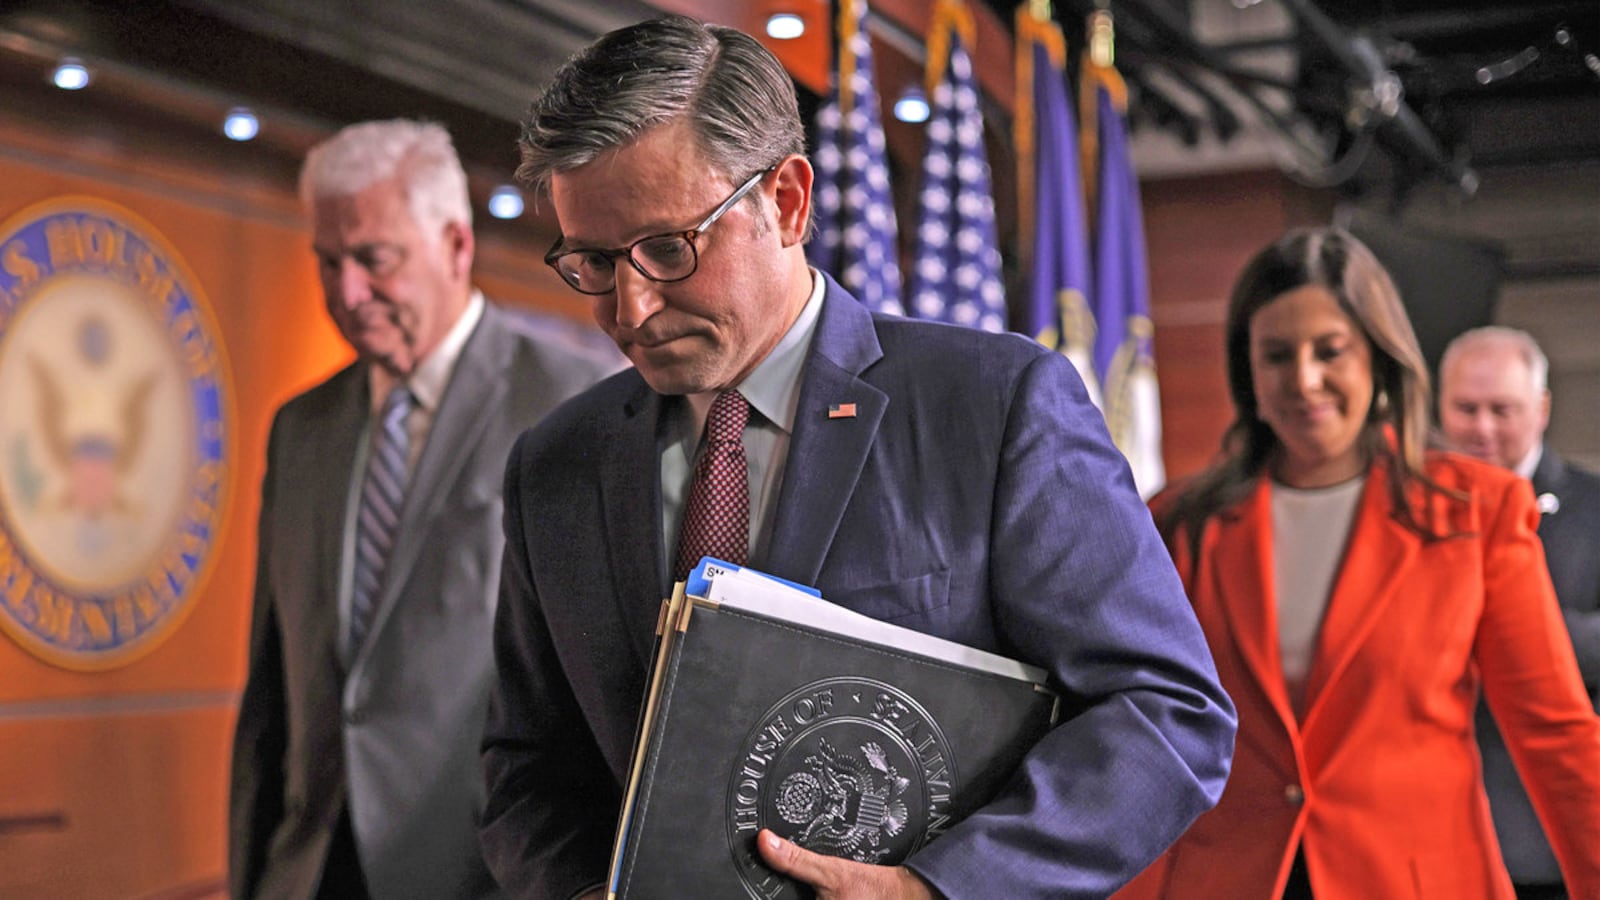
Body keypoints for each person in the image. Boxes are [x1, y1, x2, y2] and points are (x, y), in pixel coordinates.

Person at [479, 15, 1236, 900]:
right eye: (593, 263)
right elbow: (528, 766)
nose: (630, 309)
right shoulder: (556, 466)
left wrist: (937, 889)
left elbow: (1167, 713)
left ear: (787, 201)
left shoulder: (993, 407)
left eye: (667, 250)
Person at [1117, 228, 1600, 899]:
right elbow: (1140, 734)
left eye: (1330, 351)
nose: (1303, 379)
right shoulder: (1177, 523)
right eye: (1277, 356)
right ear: (1248, 371)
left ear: (1377, 356)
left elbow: (1554, 735)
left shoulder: (1476, 512)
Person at [228, 119, 614, 900]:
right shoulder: (300, 428)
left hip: (483, 873)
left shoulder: (575, 403)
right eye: (328, 262)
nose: (347, 293)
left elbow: (602, 690)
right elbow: (271, 687)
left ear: (455, 246)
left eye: (374, 259)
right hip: (307, 870)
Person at [1440, 326, 1600, 900]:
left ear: (1542, 409)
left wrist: (1502, 633)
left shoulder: (1595, 507)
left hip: (1550, 836)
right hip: (1436, 831)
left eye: (1501, 410)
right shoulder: (1409, 511)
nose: (1482, 428)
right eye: (1466, 409)